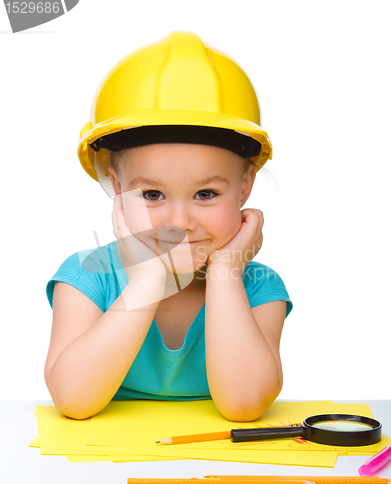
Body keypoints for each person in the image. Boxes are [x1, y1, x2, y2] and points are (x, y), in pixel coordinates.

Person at [44, 32, 293, 422]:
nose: (179, 222)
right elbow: (74, 400)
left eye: (206, 194)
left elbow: (244, 404)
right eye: (153, 195)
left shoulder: (258, 285)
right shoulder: (85, 278)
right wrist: (148, 280)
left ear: (245, 187)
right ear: (118, 187)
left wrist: (226, 273)